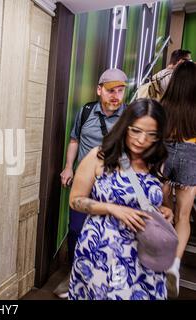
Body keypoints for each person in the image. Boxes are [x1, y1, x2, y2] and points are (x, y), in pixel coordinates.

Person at [68, 99, 173, 300]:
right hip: (102, 252)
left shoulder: (156, 162)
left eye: (152, 135)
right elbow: (75, 200)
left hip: (144, 254)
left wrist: (166, 211)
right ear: (125, 126)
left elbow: (164, 204)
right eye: (136, 131)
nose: (142, 140)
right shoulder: (99, 156)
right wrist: (112, 208)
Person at [55, 68, 128, 298]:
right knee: (76, 229)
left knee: (110, 236)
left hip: (112, 187)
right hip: (84, 185)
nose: (116, 96)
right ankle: (75, 274)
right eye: (110, 91)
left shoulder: (130, 119)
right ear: (99, 90)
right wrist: (68, 166)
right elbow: (75, 139)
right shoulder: (86, 111)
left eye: (120, 91)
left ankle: (105, 281)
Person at [160, 60, 196, 298]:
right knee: (183, 215)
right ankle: (174, 264)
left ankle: (158, 258)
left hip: (165, 151)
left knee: (163, 208)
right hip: (192, 152)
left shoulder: (164, 104)